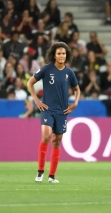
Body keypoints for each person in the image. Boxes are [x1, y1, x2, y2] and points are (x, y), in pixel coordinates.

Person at [27, 42, 80, 183]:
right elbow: (29, 83)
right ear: (54, 55)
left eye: (63, 53)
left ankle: (51, 176)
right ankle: (40, 172)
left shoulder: (69, 72)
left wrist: (75, 103)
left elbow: (77, 89)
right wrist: (37, 101)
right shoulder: (46, 69)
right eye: (59, 53)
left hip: (62, 111)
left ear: (66, 55)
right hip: (47, 109)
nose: (61, 56)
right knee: (46, 135)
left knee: (57, 141)